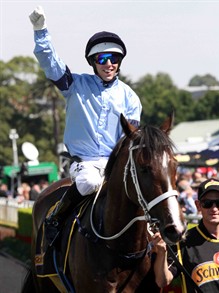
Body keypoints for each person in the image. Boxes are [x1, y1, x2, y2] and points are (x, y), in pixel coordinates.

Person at [29, 6, 142, 244]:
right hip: (86, 164)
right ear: (93, 62)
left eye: (114, 59)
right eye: (102, 59)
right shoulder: (74, 85)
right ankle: (56, 218)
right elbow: (51, 63)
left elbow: (132, 139)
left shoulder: (130, 97)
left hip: (116, 165)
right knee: (90, 182)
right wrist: (41, 31)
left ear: (120, 62)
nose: (108, 64)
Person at [152, 178, 219, 293]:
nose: (214, 208)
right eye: (207, 203)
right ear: (198, 206)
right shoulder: (183, 241)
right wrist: (162, 252)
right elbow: (162, 281)